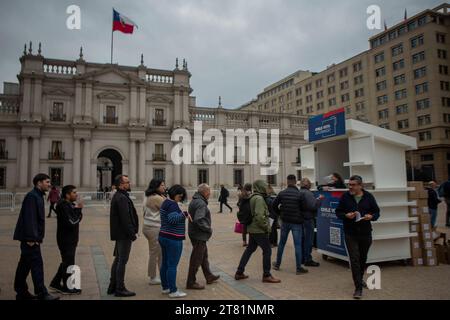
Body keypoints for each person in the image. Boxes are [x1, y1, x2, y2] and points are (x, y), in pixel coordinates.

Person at [13, 173, 59, 300]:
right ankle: (42, 293)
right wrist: (31, 238)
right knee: (37, 265)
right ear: (39, 183)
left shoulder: (37, 196)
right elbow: (30, 218)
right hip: (30, 239)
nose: (49, 185)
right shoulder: (32, 196)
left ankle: (21, 291)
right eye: (47, 182)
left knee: (24, 265)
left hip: (31, 238)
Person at [336, 175, 380, 299]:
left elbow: (377, 212)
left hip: (365, 233)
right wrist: (346, 215)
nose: (350, 187)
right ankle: (358, 288)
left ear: (360, 185)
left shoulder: (369, 197)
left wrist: (371, 216)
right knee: (354, 259)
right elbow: (338, 212)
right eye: (349, 184)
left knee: (362, 258)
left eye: (353, 185)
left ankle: (359, 279)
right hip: (350, 233)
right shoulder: (345, 197)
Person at [235, 180, 281, 284]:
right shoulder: (259, 199)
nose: (266, 188)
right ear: (260, 187)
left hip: (252, 228)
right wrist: (266, 227)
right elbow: (260, 217)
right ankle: (266, 275)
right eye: (264, 186)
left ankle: (239, 272)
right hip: (259, 230)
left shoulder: (252, 197)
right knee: (267, 251)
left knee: (250, 249)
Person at [108, 175, 139, 297]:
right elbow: (125, 218)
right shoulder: (121, 198)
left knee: (118, 259)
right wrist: (132, 233)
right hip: (124, 234)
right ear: (121, 185)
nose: (129, 183)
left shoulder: (121, 196)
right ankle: (120, 288)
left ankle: (113, 286)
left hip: (121, 233)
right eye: (127, 182)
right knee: (122, 260)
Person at [272, 175, 309, 275]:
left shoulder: (282, 193)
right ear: (295, 181)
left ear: (287, 181)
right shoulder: (299, 194)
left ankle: (277, 264)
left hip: (285, 221)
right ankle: (298, 268)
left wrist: (280, 213)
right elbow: (305, 208)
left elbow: (273, 205)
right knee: (297, 245)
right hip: (297, 222)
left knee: (282, 243)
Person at [49, 185, 83, 295]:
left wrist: (77, 210)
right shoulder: (63, 205)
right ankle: (68, 287)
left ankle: (55, 283)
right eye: (74, 192)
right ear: (67, 195)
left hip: (70, 238)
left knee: (66, 262)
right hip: (66, 239)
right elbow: (72, 222)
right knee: (68, 263)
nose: (76, 194)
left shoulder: (68, 204)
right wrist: (78, 210)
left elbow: (76, 219)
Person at [186, 184, 220, 290]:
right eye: (209, 191)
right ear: (204, 192)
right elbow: (199, 219)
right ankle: (191, 282)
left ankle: (208, 276)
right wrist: (208, 229)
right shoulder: (201, 203)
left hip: (195, 233)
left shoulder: (196, 200)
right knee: (196, 258)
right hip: (199, 235)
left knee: (203, 256)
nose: (210, 193)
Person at [159, 185, 189, 298]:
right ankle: (173, 290)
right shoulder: (172, 204)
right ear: (176, 194)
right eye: (180, 196)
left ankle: (165, 287)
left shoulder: (165, 202)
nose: (180, 198)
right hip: (173, 238)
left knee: (165, 263)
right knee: (172, 265)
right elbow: (172, 219)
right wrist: (184, 214)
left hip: (164, 235)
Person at [143, 179, 166, 286]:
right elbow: (168, 209)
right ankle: (152, 277)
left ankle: (161, 274)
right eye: (162, 185)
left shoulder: (147, 195)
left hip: (148, 226)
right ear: (156, 186)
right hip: (154, 227)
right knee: (155, 253)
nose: (164, 187)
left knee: (159, 252)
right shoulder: (157, 198)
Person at [299, 178, 323, 267]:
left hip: (300, 219)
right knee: (308, 240)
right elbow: (313, 206)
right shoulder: (308, 193)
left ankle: (301, 258)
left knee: (301, 240)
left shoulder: (299, 192)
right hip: (308, 219)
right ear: (308, 185)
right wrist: (319, 199)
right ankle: (308, 259)